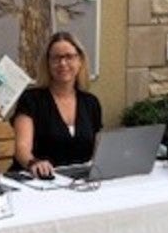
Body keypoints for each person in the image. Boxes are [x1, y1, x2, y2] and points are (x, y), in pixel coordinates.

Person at [12, 32, 102, 178]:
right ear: (47, 63)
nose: (63, 63)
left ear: (80, 61)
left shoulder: (91, 103)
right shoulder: (31, 100)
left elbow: (97, 151)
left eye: (69, 57)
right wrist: (34, 162)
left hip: (79, 182)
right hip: (39, 181)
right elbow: (22, 148)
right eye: (56, 58)